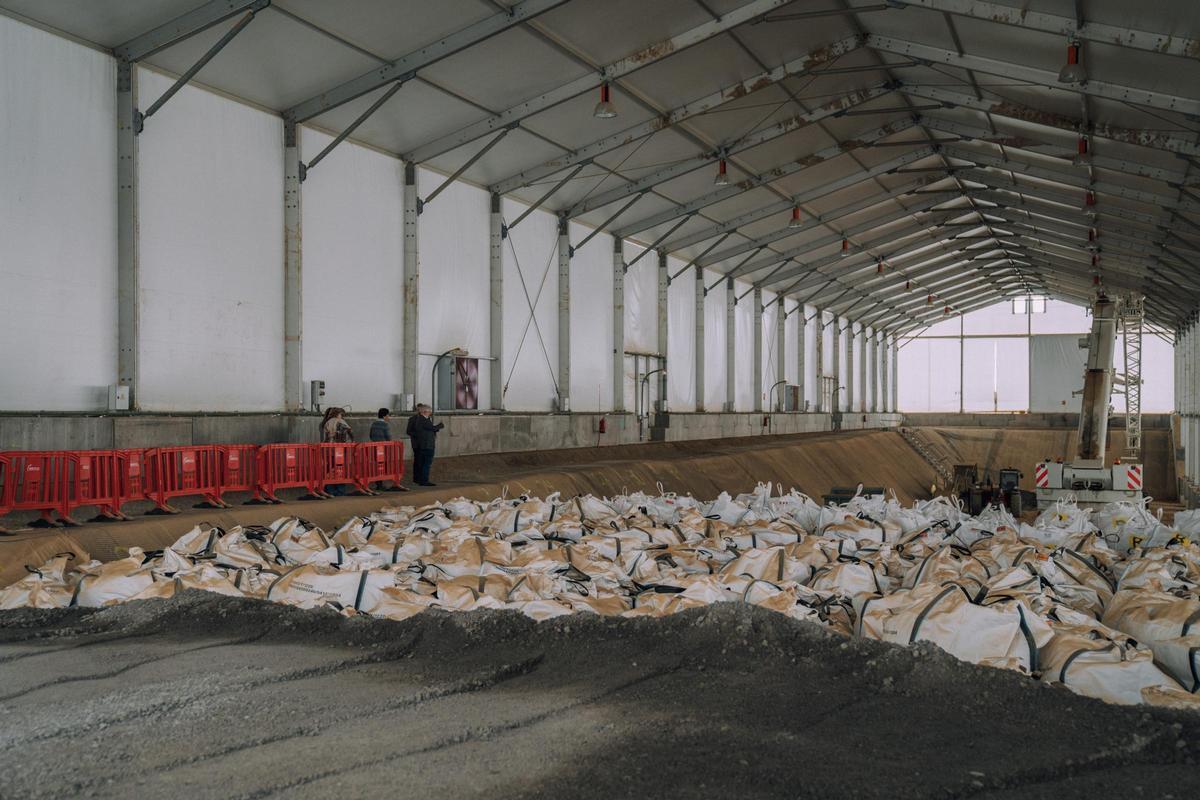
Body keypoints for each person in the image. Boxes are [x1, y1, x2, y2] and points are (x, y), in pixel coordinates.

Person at [367, 408, 408, 492]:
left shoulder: (374, 424)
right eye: (388, 415)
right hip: (383, 448)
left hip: (375, 447)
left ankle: (378, 484)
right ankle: (385, 483)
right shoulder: (385, 425)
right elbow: (388, 437)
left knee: (377, 465)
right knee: (384, 465)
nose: (388, 417)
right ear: (385, 416)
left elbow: (370, 435)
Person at [406, 403, 443, 487]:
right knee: (423, 462)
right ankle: (422, 480)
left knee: (420, 462)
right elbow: (428, 429)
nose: (430, 413)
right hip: (422, 444)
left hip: (421, 444)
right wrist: (439, 426)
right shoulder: (420, 420)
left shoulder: (423, 419)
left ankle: (419, 479)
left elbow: (429, 429)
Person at [320, 407, 353, 496]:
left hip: (327, 449)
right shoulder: (340, 422)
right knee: (339, 469)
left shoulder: (326, 422)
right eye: (342, 414)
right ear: (338, 414)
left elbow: (324, 438)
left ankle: (329, 489)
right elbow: (349, 432)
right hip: (339, 450)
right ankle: (340, 490)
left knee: (329, 469)